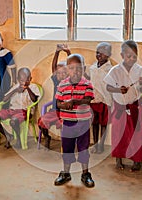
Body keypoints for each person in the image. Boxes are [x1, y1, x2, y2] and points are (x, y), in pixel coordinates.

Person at [104, 40, 142, 172]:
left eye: (134, 56)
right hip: (120, 107)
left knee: (136, 134)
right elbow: (108, 87)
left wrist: (141, 85)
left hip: (135, 107)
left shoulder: (140, 70)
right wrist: (119, 90)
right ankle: (118, 159)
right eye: (128, 56)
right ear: (122, 55)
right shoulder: (115, 71)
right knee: (119, 134)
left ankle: (137, 160)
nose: (131, 59)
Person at [54, 54, 95, 188]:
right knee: (67, 148)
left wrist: (75, 101)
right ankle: (66, 172)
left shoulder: (87, 84)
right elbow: (58, 103)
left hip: (83, 123)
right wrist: (64, 105)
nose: (75, 71)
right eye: (72, 68)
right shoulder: (62, 85)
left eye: (78, 68)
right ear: (67, 69)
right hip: (68, 123)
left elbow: (88, 100)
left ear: (83, 68)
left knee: (83, 149)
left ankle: (85, 173)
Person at [0, 67, 40, 149]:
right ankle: (8, 136)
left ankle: (18, 140)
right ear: (18, 79)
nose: (24, 82)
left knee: (13, 121)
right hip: (11, 110)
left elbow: (34, 100)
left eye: (26, 80)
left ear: (30, 78)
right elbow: (4, 99)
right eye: (22, 80)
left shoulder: (33, 87)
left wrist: (28, 88)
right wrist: (15, 91)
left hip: (24, 111)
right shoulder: (15, 87)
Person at [38, 44, 70, 149]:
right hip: (54, 111)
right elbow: (53, 66)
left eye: (64, 73)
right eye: (58, 73)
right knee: (42, 122)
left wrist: (68, 52)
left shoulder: (70, 82)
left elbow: (73, 64)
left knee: (66, 126)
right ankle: (47, 137)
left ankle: (67, 143)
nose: (61, 75)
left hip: (66, 113)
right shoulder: (56, 81)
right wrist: (57, 52)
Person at [86, 42, 113, 154]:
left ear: (108, 55)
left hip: (104, 100)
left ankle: (101, 145)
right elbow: (92, 80)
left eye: (102, 53)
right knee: (94, 123)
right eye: (97, 52)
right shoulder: (93, 67)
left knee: (103, 124)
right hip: (94, 99)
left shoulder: (110, 69)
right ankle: (95, 144)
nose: (99, 55)